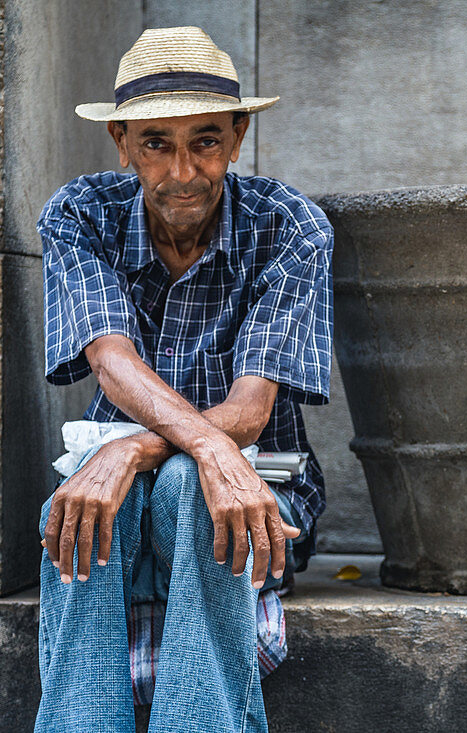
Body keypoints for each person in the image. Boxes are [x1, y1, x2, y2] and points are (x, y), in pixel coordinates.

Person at [36, 27, 333, 732]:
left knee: (189, 487)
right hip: (122, 491)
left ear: (237, 135)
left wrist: (130, 447)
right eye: (155, 143)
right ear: (121, 142)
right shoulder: (81, 214)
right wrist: (174, 451)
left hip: (260, 487)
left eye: (204, 141)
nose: (182, 172)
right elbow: (112, 361)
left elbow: (250, 410)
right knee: (83, 513)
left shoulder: (292, 227)